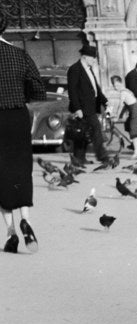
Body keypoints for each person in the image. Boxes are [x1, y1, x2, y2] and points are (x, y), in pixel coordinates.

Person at [0, 11, 44, 254]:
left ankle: (11, 232)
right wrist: (19, 95)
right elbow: (38, 91)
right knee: (20, 169)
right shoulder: (20, 55)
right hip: (17, 117)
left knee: (1, 173)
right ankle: (26, 219)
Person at [67, 43, 109, 165]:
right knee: (96, 130)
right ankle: (103, 157)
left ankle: (79, 158)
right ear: (85, 57)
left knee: (83, 133)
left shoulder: (89, 69)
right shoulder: (75, 69)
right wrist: (77, 108)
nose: (95, 60)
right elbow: (72, 90)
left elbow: (95, 88)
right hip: (82, 108)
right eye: (93, 58)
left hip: (91, 106)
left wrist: (105, 101)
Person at [110, 75, 137, 155]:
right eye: (114, 86)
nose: (116, 87)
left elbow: (121, 105)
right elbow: (126, 105)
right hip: (136, 110)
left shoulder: (123, 92)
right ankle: (134, 144)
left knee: (133, 130)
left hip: (136, 111)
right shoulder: (126, 90)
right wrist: (119, 115)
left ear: (121, 83)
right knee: (127, 124)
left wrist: (117, 116)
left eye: (117, 85)